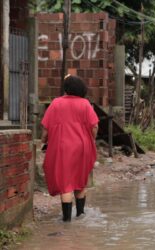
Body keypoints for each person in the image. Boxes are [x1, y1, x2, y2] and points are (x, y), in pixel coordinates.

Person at [41, 75, 99, 222]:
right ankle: (80, 216)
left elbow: (46, 128)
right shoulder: (85, 104)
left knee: (66, 183)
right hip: (82, 147)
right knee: (80, 181)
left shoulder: (56, 103)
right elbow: (95, 126)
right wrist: (91, 139)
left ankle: (66, 221)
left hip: (63, 148)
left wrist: (44, 140)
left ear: (66, 88)